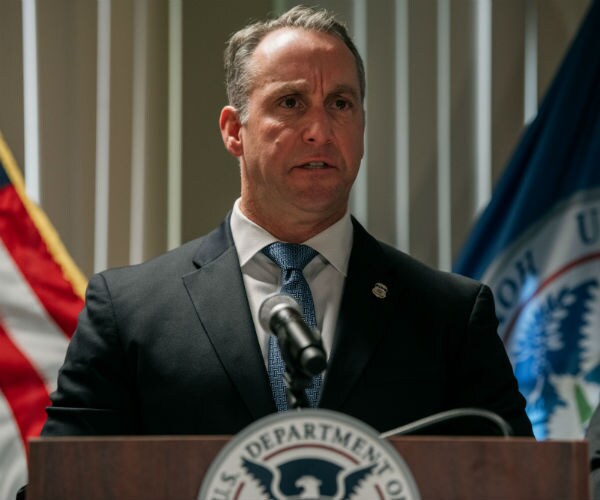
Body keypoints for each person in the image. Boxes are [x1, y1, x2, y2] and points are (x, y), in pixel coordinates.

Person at [41, 5, 533, 438]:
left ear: (362, 126)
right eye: (291, 103)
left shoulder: (450, 318)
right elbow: (64, 482)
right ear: (234, 131)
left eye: (340, 104)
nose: (320, 130)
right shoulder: (128, 312)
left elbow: (517, 482)